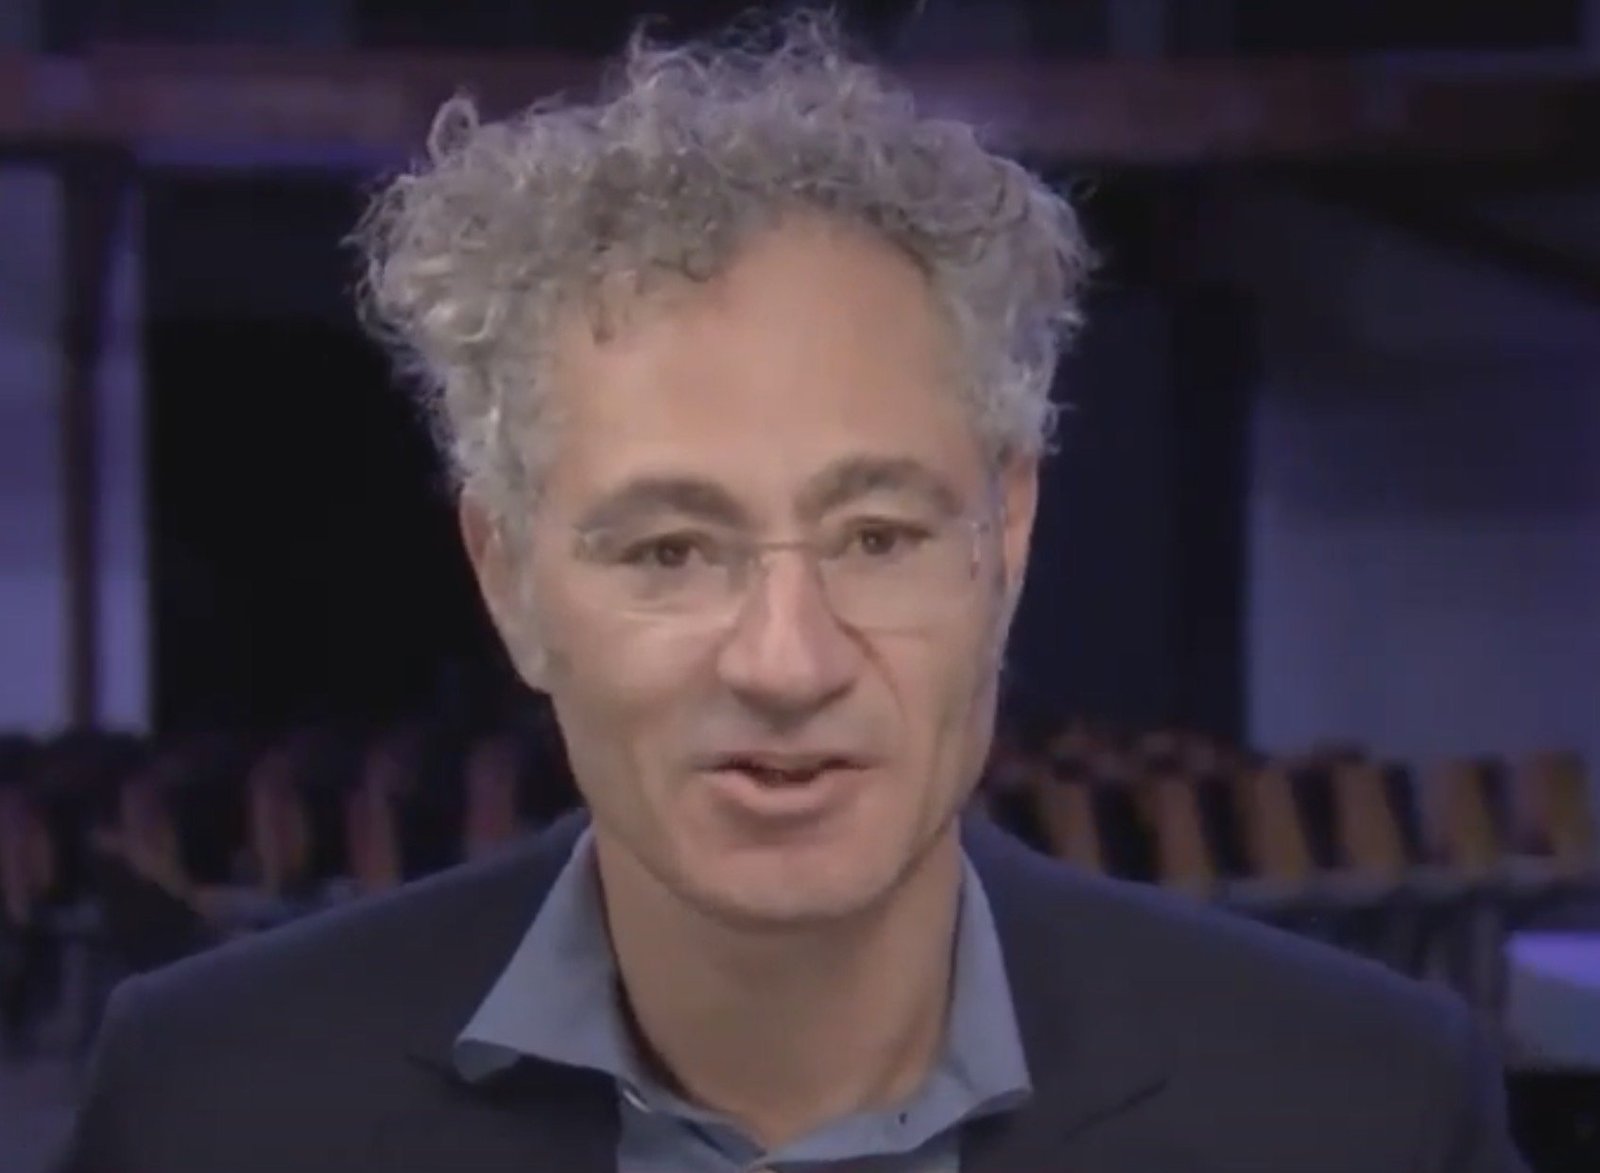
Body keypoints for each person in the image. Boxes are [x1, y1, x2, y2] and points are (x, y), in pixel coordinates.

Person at [57, 12, 1528, 1172]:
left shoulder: (1363, 1112)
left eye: (877, 535)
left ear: (1004, 537)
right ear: (507, 578)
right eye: (669, 550)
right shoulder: (211, 1103)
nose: (786, 655)